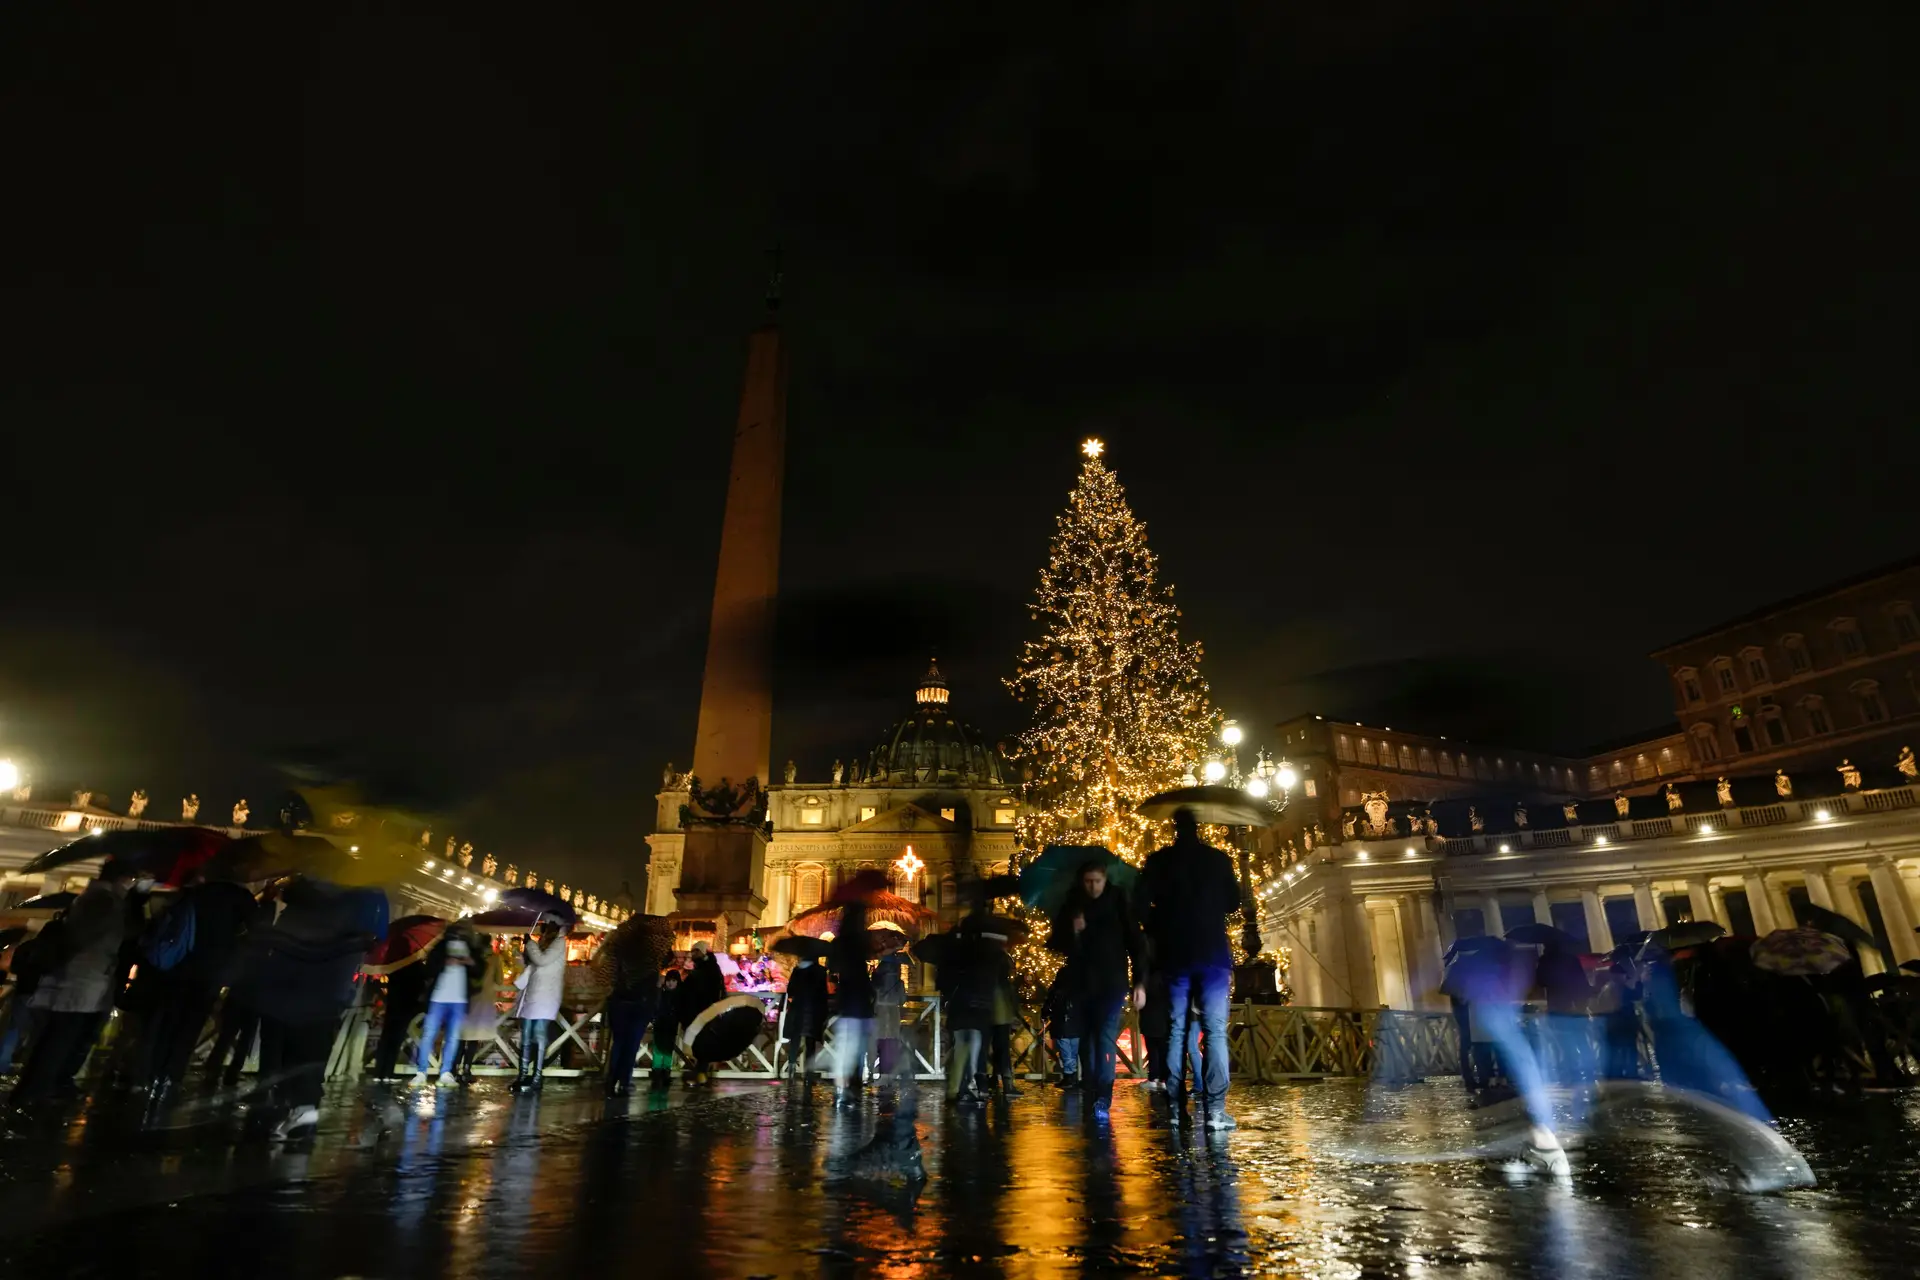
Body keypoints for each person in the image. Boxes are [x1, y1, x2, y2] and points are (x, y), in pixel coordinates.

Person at [237, 877, 385, 1142]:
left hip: (283, 998)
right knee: (311, 1055)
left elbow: (272, 954)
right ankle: (304, 1110)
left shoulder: (296, 917)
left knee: (279, 1056)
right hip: (325, 1001)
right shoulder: (352, 921)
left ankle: (277, 1110)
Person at [1139, 808, 1243, 1129]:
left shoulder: (1158, 861)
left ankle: (1174, 1109)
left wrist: (1163, 923)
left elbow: (1141, 904)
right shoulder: (1217, 859)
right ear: (1198, 828)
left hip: (1174, 956)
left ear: (1174, 828)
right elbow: (1234, 902)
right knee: (1213, 1032)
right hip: (1211, 953)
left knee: (1175, 1031)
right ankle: (1214, 1110)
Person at [9, 860, 141, 1108]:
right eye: (132, 880)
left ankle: (34, 1093)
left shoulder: (99, 898)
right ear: (122, 878)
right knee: (56, 1044)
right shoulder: (104, 901)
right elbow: (86, 939)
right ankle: (31, 1096)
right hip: (78, 985)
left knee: (55, 1043)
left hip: (80, 985)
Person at [138, 876, 258, 1111]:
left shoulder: (195, 892)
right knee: (189, 1028)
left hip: (178, 966)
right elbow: (256, 930)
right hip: (209, 973)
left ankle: (152, 1075)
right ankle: (172, 1077)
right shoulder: (240, 898)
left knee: (168, 1025)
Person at [1050, 860, 1146, 1117]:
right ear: (1082, 882)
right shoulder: (1073, 904)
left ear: (1105, 880)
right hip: (1081, 982)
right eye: (1088, 882)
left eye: (1097, 881)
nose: (1093, 887)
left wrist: (1139, 981)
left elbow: (1135, 943)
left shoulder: (1118, 902)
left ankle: (1103, 1094)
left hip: (1111, 981)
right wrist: (1073, 930)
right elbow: (1057, 942)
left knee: (1103, 1037)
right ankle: (1093, 1089)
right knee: (1086, 1039)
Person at [415, 924, 478, 1085]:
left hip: (459, 999)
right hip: (439, 997)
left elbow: (479, 971)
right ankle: (421, 1072)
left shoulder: (471, 948)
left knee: (453, 1037)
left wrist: (471, 963)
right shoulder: (440, 947)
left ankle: (445, 1072)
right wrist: (444, 963)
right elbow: (429, 969)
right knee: (429, 1035)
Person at [509, 917, 567, 1093]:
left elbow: (542, 961)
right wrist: (527, 948)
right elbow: (533, 963)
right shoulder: (541, 944)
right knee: (526, 1036)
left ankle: (537, 1077)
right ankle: (523, 1075)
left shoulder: (559, 943)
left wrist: (531, 944)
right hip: (531, 996)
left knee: (540, 1037)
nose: (543, 930)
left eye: (547, 926)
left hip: (545, 997)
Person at [829, 905, 876, 1108]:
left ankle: (841, 1090)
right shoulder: (862, 942)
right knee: (858, 1049)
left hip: (846, 1000)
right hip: (861, 1000)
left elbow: (833, 971)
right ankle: (854, 1088)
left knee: (845, 1048)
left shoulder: (839, 944)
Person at [602, 941, 658, 1097]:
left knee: (619, 1043)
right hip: (638, 1008)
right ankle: (624, 1082)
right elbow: (652, 990)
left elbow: (611, 982)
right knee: (631, 1046)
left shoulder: (620, 959)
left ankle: (611, 1080)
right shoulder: (650, 963)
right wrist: (652, 1011)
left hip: (620, 1006)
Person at [452, 936, 506, 1085]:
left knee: (462, 1036)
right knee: (474, 1037)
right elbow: (500, 980)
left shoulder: (469, 957)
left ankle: (454, 1069)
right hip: (484, 1000)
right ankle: (467, 1069)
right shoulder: (495, 958)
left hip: (468, 997)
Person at [676, 940, 726, 1085]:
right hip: (699, 1012)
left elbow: (712, 990)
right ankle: (700, 1072)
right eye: (692, 951)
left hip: (703, 1012)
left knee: (701, 1043)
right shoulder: (704, 969)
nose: (692, 954)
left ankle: (700, 1072)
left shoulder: (708, 970)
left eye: (696, 951)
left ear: (703, 952)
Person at [782, 954, 830, 1082]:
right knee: (811, 1041)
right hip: (814, 1010)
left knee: (795, 1039)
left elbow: (790, 990)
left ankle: (791, 1067)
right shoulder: (820, 971)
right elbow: (823, 993)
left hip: (798, 1009)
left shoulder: (798, 970)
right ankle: (809, 1071)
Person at [1044, 967, 1083, 1089]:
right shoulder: (1078, 989)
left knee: (1066, 1053)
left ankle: (1069, 1076)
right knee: (1073, 1052)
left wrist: (1045, 1013)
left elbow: (1048, 1005)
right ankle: (1073, 1076)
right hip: (1075, 1025)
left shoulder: (1056, 990)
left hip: (1061, 1025)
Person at [649, 969, 682, 1089]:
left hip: (670, 1025)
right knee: (658, 1048)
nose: (670, 983)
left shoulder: (679, 995)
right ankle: (657, 1072)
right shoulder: (661, 993)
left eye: (673, 980)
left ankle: (665, 1072)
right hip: (660, 1024)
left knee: (668, 1049)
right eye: (669, 980)